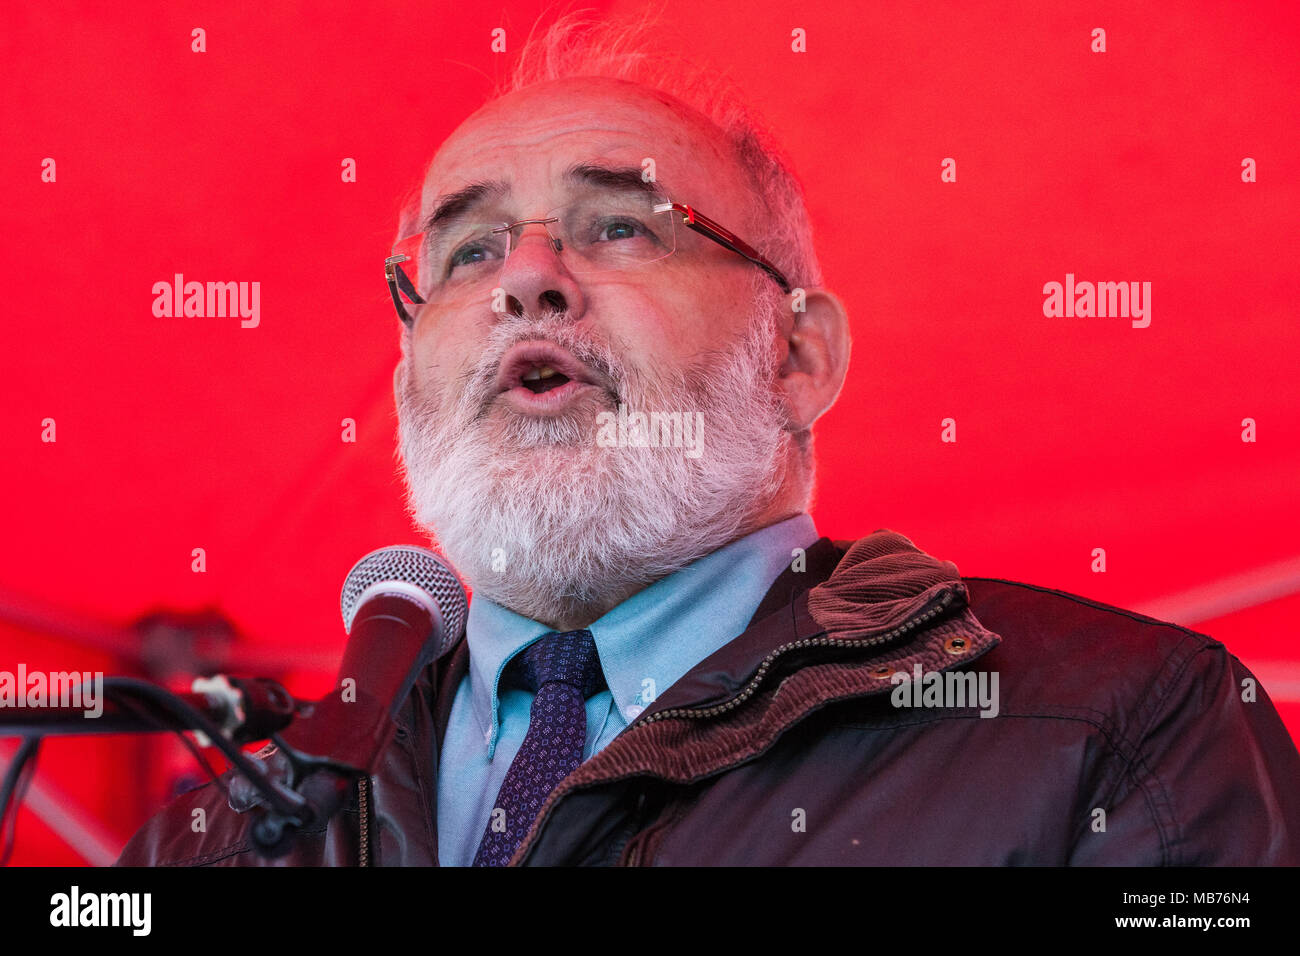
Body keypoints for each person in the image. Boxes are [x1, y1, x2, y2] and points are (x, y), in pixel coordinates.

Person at [117, 14, 1300, 867]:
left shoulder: (1119, 724)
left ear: (797, 356)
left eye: (624, 226)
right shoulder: (219, 831)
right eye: (466, 251)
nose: (526, 277)